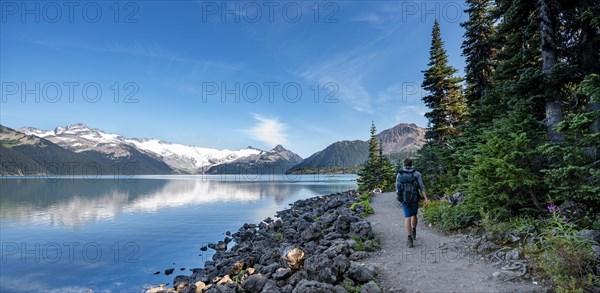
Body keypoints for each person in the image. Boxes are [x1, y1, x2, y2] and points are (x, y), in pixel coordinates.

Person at [396, 158, 428, 248]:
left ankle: (409, 239)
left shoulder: (400, 174)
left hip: (405, 199)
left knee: (407, 218)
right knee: (414, 215)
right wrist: (425, 198)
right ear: (411, 164)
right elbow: (421, 187)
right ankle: (414, 230)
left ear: (404, 164)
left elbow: (397, 188)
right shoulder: (417, 174)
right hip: (414, 198)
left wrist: (399, 197)